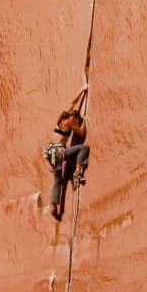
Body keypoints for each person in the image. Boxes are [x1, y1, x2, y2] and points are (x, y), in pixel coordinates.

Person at [46, 84, 89, 221]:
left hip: (51, 153)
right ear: (74, 118)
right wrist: (85, 121)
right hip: (60, 152)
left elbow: (72, 103)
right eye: (77, 119)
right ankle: (77, 172)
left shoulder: (62, 119)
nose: (76, 121)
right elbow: (81, 131)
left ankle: (54, 205)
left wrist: (82, 90)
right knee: (84, 148)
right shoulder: (71, 122)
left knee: (58, 181)